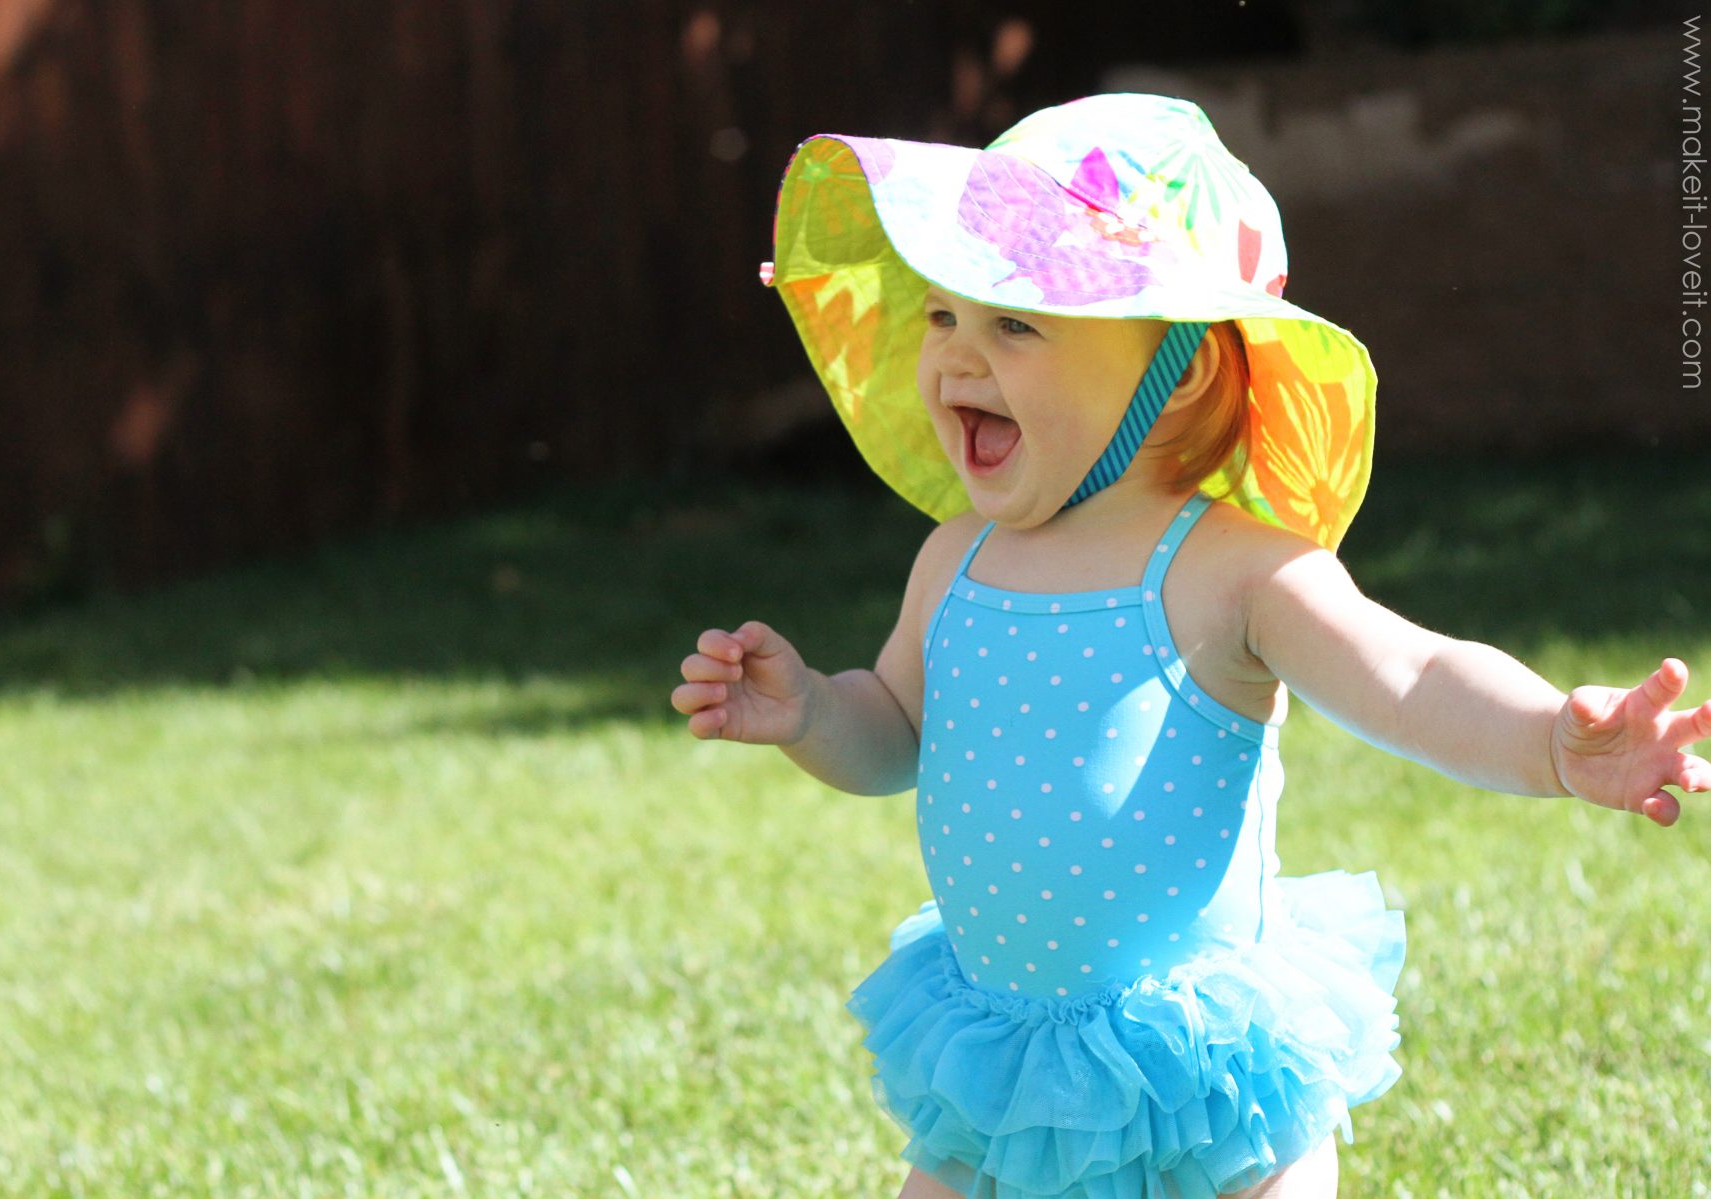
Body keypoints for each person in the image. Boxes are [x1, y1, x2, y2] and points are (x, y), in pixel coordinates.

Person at [671, 94, 1709, 1198]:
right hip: (1006, 1056)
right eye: (941, 318)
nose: (960, 358)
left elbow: (1409, 676)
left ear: (1182, 369)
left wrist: (1552, 738)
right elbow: (899, 729)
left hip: (1210, 1067)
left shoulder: (1233, 569)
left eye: (1015, 323)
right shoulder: (955, 558)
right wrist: (815, 715)